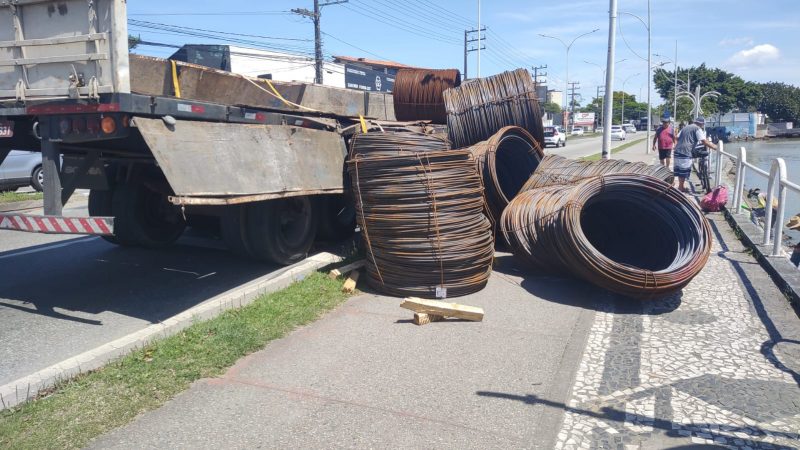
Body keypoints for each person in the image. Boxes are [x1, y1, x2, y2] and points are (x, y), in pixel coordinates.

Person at [672, 116, 717, 192]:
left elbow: (676, 137)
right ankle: (680, 187)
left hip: (677, 151)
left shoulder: (685, 127)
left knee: (680, 170)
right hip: (685, 152)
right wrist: (715, 147)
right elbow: (704, 141)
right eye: (703, 125)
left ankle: (681, 187)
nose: (703, 126)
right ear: (701, 124)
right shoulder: (697, 129)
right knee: (684, 171)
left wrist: (677, 145)